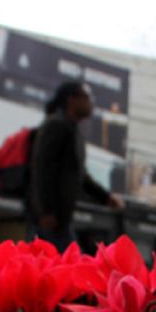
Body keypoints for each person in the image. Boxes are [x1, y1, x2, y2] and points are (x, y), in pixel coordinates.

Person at [26, 81, 124, 250]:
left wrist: (105, 197)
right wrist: (46, 211)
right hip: (50, 220)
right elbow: (42, 169)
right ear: (71, 99)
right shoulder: (56, 125)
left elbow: (80, 175)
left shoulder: (72, 130)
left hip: (60, 220)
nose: (91, 103)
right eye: (86, 97)